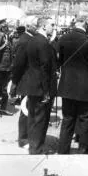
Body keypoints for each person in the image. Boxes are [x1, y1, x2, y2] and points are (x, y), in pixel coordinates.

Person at [57, 15, 88, 154]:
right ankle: (83, 152)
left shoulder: (63, 39)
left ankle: (63, 151)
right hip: (85, 89)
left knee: (67, 120)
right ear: (86, 23)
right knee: (84, 122)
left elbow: (60, 62)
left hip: (67, 87)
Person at [25, 18, 55, 154]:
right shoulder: (43, 43)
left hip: (32, 84)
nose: (53, 27)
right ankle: (36, 149)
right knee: (40, 120)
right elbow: (44, 68)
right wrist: (46, 91)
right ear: (43, 26)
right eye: (51, 25)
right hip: (41, 87)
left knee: (33, 118)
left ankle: (33, 146)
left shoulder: (31, 40)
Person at [10, 25, 33, 149]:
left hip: (29, 80)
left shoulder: (28, 39)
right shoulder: (24, 41)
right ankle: (23, 139)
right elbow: (18, 64)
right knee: (25, 110)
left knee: (28, 109)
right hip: (26, 80)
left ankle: (27, 137)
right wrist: (14, 82)